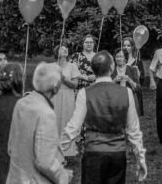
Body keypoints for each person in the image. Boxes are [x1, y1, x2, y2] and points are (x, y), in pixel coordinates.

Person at [61, 52, 148, 184]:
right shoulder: (126, 92)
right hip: (117, 154)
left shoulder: (85, 93)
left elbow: (73, 127)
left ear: (93, 70)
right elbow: (133, 129)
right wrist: (140, 158)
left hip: (93, 153)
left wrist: (56, 151)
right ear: (112, 68)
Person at [7, 63, 68, 184]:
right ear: (55, 87)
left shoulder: (22, 103)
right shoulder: (46, 113)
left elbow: (11, 146)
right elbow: (45, 162)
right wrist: (63, 176)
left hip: (16, 177)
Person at [52, 45, 81, 159]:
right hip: (54, 96)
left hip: (68, 96)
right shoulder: (52, 66)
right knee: (54, 122)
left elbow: (75, 85)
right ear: (56, 52)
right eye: (61, 48)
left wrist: (63, 78)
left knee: (66, 122)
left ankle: (67, 152)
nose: (65, 50)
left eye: (66, 49)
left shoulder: (72, 66)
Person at [120, 38, 149, 112]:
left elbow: (141, 80)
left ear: (132, 47)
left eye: (128, 45)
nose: (126, 47)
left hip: (134, 91)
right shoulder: (118, 60)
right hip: (121, 90)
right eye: (124, 45)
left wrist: (139, 74)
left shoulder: (137, 62)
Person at [114, 49, 142, 116]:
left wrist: (129, 80)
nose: (119, 59)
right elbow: (106, 86)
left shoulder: (132, 69)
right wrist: (115, 80)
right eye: (117, 56)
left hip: (131, 99)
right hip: (115, 100)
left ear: (125, 58)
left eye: (121, 56)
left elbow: (138, 88)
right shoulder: (111, 70)